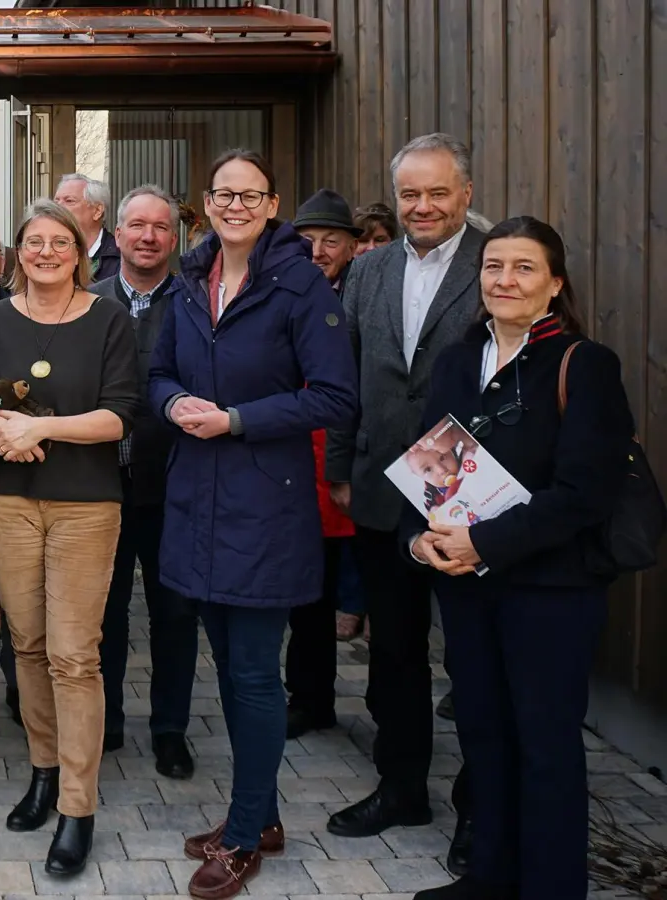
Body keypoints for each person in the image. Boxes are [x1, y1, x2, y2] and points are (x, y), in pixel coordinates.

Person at [148, 149, 357, 899]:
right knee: (228, 669)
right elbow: (157, 374)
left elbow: (335, 396)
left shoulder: (300, 286)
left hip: (266, 503)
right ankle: (259, 816)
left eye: (251, 195)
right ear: (207, 204)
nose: (236, 205)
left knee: (254, 674)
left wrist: (236, 419)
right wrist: (174, 403)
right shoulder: (190, 282)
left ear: (272, 206)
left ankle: (243, 836)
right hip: (196, 500)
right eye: (224, 194)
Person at [407, 217, 634, 900]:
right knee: (483, 735)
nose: (505, 280)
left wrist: (483, 542)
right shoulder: (457, 360)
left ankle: (550, 888)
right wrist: (421, 539)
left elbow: (584, 494)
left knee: (545, 748)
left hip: (550, 592)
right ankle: (491, 877)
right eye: (494, 266)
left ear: (555, 283)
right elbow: (428, 467)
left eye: (524, 267)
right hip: (468, 589)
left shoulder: (583, 365)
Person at [0, 201, 139, 876]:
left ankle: (76, 806)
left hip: (85, 505)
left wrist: (41, 428)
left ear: (79, 250)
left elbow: (121, 416)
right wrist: (2, 430)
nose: (46, 252)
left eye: (59, 241)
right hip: (6, 500)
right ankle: (42, 771)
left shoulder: (109, 318)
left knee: (73, 656)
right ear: (18, 252)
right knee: (27, 645)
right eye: (33, 242)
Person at [323, 134, 485, 872]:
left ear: (466, 195)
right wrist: (340, 467)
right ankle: (402, 786)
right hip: (382, 488)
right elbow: (347, 374)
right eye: (410, 194)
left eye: (437, 193)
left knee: (475, 659)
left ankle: (480, 808)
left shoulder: (495, 263)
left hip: (469, 499)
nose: (422, 206)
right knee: (393, 651)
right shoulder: (370, 268)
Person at [88, 185, 195, 774]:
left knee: (174, 614)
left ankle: (170, 728)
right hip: (101, 484)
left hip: (173, 484)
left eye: (159, 227)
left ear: (173, 239)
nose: (148, 237)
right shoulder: (88, 300)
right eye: (137, 225)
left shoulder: (196, 301)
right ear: (118, 234)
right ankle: (104, 719)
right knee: (104, 613)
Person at [282, 188, 365, 740]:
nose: (317, 251)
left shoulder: (362, 297)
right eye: (307, 240)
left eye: (330, 240)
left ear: (351, 248)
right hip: (295, 462)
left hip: (350, 464)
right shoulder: (283, 295)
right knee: (305, 595)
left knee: (349, 583)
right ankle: (309, 698)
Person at [53, 174, 119, 281]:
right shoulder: (44, 253)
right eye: (56, 201)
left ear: (97, 211)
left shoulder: (121, 259)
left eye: (69, 201)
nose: (57, 208)